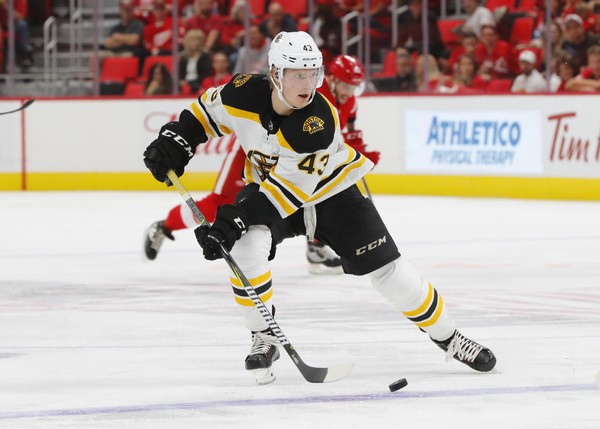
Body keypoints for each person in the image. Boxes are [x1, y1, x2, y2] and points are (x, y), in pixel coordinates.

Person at [142, 31, 496, 385]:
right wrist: (177, 139)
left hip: (332, 195)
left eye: (313, 73)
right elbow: (204, 114)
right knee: (246, 247)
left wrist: (236, 219)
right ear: (275, 74)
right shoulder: (241, 91)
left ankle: (449, 337)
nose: (308, 84)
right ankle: (263, 335)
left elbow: (284, 194)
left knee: (391, 273)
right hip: (272, 189)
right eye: (298, 74)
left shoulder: (317, 123)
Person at [143, 54, 379, 275]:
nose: (349, 92)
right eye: (346, 85)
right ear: (332, 79)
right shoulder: (309, 91)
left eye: (354, 86)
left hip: (292, 159)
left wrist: (356, 148)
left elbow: (339, 136)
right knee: (223, 202)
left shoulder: (349, 102)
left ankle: (315, 247)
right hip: (257, 154)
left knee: (318, 193)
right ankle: (165, 226)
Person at [178, 29, 212, 93]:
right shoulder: (184, 57)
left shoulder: (205, 56)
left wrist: (189, 82)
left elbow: (206, 74)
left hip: (199, 84)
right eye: (193, 40)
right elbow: (180, 73)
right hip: (185, 84)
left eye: (198, 40)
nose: (196, 42)